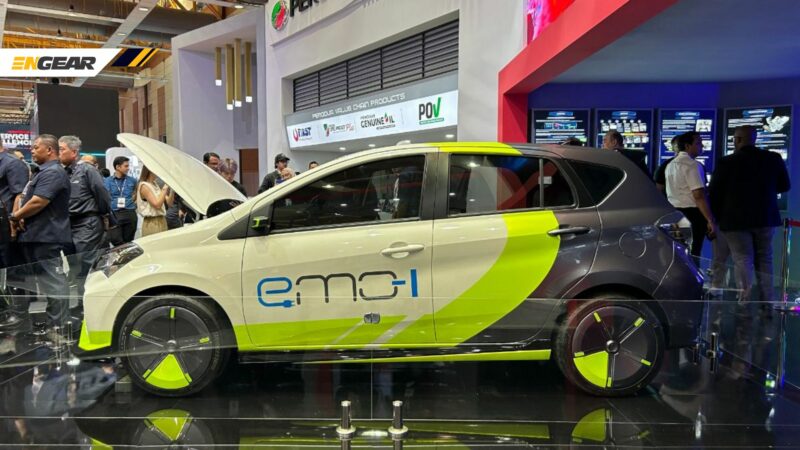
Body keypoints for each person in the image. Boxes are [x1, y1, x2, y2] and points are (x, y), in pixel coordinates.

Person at [709, 125, 790, 303]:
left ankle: (744, 300)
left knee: (743, 258)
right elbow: (785, 185)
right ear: (754, 139)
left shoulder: (726, 162)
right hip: (766, 217)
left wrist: (714, 218)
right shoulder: (773, 158)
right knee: (765, 258)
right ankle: (767, 300)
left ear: (737, 139)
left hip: (734, 220)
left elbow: (714, 192)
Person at [9, 134, 72, 331]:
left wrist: (15, 216)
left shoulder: (53, 172)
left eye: (36, 147)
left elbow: (38, 202)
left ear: (50, 150)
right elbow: (24, 197)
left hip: (47, 236)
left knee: (53, 283)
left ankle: (59, 328)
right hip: (36, 235)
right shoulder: (42, 172)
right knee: (45, 283)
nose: (32, 150)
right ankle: (52, 324)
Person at [59, 135, 111, 300]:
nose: (58, 152)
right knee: (73, 265)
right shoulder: (61, 172)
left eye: (62, 149)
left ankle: (90, 302)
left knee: (87, 264)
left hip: (87, 223)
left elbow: (102, 194)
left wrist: (102, 214)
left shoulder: (87, 170)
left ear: (74, 152)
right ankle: (80, 302)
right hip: (67, 225)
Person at [665, 132, 716, 260]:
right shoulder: (693, 165)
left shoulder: (670, 165)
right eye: (698, 143)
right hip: (692, 215)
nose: (702, 146)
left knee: (678, 253)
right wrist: (710, 219)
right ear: (687, 146)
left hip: (674, 214)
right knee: (693, 254)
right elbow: (698, 195)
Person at [0, 140, 30, 329]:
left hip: (7, 226)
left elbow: (20, 195)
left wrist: (13, 223)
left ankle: (18, 314)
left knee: (13, 270)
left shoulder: (12, 163)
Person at [104, 156, 138, 245]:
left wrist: (133, 202)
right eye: (126, 166)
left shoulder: (133, 180)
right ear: (118, 167)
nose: (128, 168)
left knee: (129, 242)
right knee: (116, 240)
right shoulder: (107, 181)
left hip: (130, 212)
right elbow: (105, 197)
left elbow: (135, 193)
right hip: (115, 213)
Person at [136, 166, 173, 237]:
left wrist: (172, 190)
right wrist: (165, 187)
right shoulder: (144, 185)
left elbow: (169, 203)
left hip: (162, 220)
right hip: (152, 222)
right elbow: (157, 205)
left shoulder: (155, 184)